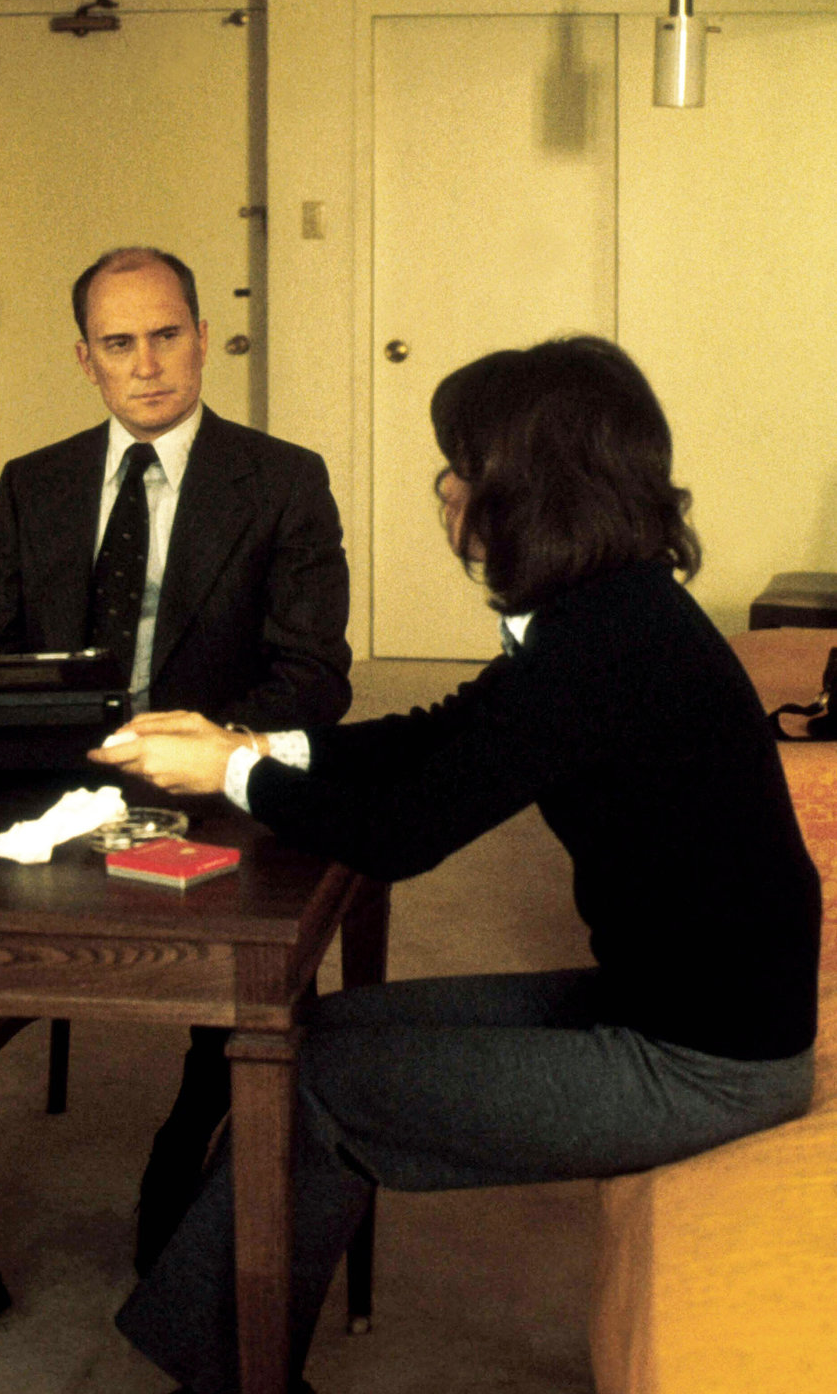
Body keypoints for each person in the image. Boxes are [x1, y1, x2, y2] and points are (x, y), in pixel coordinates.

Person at [91, 335, 822, 1394]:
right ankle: (226, 1352)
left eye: (463, 466)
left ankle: (223, 1373)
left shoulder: (603, 646)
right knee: (325, 1032)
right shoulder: (608, 613)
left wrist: (232, 776)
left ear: (535, 492)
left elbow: (406, 830)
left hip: (706, 1065)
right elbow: (440, 734)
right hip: (666, 1008)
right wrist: (250, 744)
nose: (444, 486)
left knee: (319, 1081)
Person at [0, 246, 352, 1374]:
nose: (146, 363)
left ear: (202, 338)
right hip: (54, 778)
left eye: (165, 335)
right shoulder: (36, 482)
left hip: (206, 776)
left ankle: (183, 1159)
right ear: (85, 359)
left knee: (246, 937)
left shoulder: (283, 480)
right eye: (119, 343)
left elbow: (314, 678)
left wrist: (197, 746)